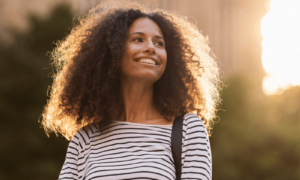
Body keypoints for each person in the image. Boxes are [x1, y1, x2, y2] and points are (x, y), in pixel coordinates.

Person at [41, 1, 221, 179]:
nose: (151, 47)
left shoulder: (188, 130)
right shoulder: (85, 139)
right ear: (113, 52)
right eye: (137, 39)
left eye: (159, 43)